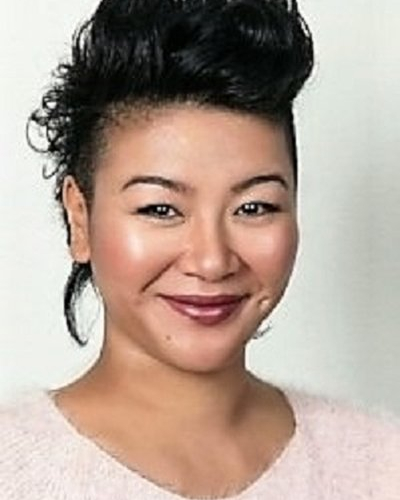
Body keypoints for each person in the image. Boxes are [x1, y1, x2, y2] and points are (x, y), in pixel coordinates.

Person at [0, 0, 399, 498]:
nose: (212, 261)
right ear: (80, 218)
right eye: (160, 209)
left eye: (254, 207)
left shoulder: (381, 464)